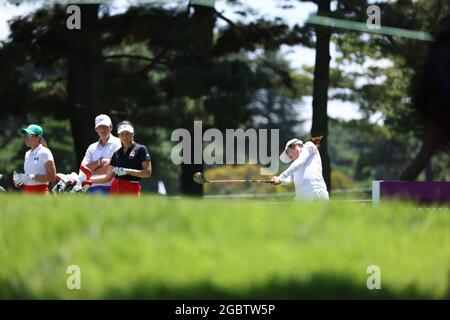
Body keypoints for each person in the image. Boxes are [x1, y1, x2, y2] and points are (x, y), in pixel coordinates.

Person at [90, 121, 152, 195]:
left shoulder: (141, 149)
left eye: (127, 133)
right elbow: (107, 177)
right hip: (115, 188)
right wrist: (86, 180)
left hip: (132, 187)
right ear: (119, 135)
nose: (125, 137)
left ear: (133, 134)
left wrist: (127, 171)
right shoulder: (117, 153)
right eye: (122, 134)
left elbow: (147, 173)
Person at [272, 136, 329, 202]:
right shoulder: (295, 164)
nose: (289, 157)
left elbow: (300, 162)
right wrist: (280, 181)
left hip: (316, 192)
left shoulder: (309, 145)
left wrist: (281, 176)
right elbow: (289, 179)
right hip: (301, 197)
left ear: (294, 145)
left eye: (287, 152)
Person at [80, 114, 121, 194]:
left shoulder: (118, 143)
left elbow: (113, 167)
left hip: (111, 187)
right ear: (96, 129)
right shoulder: (91, 147)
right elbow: (83, 169)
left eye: (105, 127)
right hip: (90, 188)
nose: (103, 130)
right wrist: (99, 162)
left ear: (111, 127)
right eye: (100, 127)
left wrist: (92, 170)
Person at [13, 124, 56, 194]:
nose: (26, 138)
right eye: (25, 135)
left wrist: (31, 177)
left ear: (38, 137)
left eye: (29, 135)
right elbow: (28, 176)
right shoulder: (27, 154)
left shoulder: (45, 152)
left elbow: (52, 177)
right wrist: (20, 180)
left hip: (41, 193)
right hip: (26, 192)